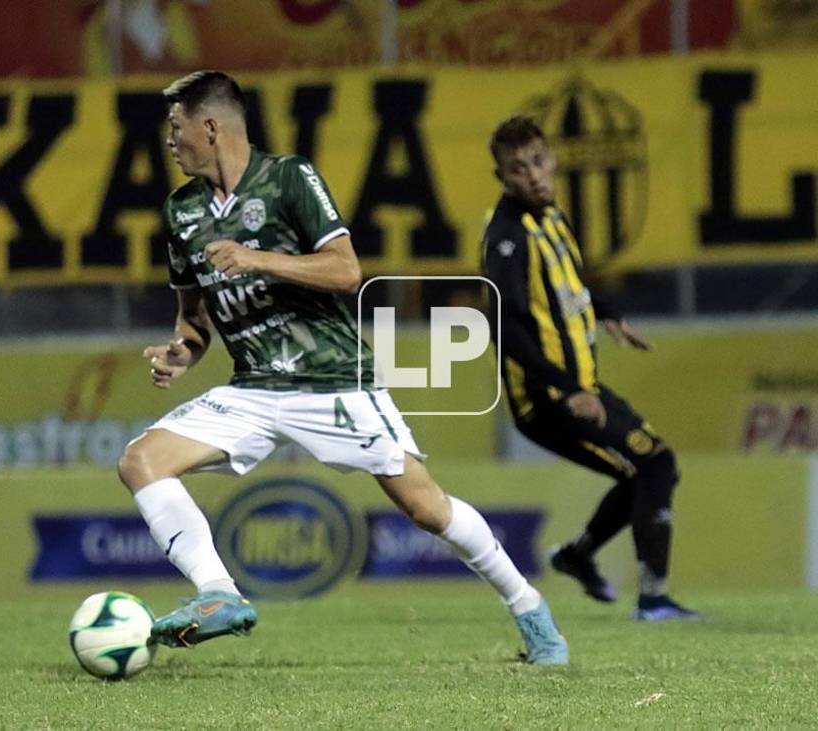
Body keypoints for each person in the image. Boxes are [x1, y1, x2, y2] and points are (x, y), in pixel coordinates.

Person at [117, 71, 569, 664]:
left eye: (176, 129)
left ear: (211, 126)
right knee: (141, 460)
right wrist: (184, 350)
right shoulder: (181, 213)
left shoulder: (288, 179)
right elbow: (194, 316)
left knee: (425, 506)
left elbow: (346, 271)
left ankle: (531, 611)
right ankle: (218, 595)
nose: (170, 141)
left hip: (330, 378)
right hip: (253, 387)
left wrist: (257, 257)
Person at [480, 116, 698, 621]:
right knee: (656, 466)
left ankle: (578, 556)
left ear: (552, 159)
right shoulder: (507, 237)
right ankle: (653, 599)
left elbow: (569, 280)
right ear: (502, 178)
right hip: (547, 399)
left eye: (537, 162)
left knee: (643, 472)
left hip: (581, 387)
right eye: (517, 169)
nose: (531, 175)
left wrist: (608, 312)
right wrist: (563, 390)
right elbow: (504, 326)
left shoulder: (552, 217)